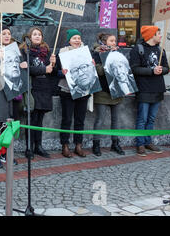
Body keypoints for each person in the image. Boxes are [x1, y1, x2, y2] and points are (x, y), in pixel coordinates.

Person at [0, 25, 26, 168]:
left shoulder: (15, 50)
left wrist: (23, 65)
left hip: (12, 92)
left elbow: (18, 70)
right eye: (3, 33)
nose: (7, 36)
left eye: (8, 33)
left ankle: (5, 154)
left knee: (8, 125)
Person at [129, 26, 169, 156]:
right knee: (142, 118)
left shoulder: (160, 50)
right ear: (151, 35)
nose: (161, 36)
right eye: (158, 33)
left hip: (158, 89)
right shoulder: (137, 49)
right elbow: (134, 69)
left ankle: (148, 141)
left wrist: (161, 70)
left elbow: (167, 68)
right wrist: (152, 71)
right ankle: (140, 143)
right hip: (144, 89)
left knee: (151, 119)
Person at [21, 27, 56, 159]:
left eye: (39, 34)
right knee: (31, 120)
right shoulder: (25, 51)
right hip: (33, 88)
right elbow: (27, 68)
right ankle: (29, 147)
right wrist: (43, 69)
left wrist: (54, 63)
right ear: (30, 37)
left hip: (44, 88)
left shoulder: (46, 52)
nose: (37, 36)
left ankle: (38, 146)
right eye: (34, 34)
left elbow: (51, 71)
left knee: (40, 120)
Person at [56, 29, 92, 158]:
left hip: (82, 90)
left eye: (78, 38)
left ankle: (78, 145)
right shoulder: (62, 53)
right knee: (67, 119)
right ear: (69, 40)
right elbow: (57, 72)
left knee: (80, 120)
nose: (77, 40)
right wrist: (63, 72)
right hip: (67, 90)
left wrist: (91, 65)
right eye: (74, 38)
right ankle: (64, 145)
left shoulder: (86, 52)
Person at [92, 33, 126, 157]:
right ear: (104, 41)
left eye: (115, 41)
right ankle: (96, 144)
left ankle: (115, 143)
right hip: (103, 91)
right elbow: (98, 71)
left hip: (116, 90)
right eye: (111, 40)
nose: (114, 43)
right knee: (100, 120)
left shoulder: (118, 53)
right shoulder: (97, 53)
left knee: (116, 120)